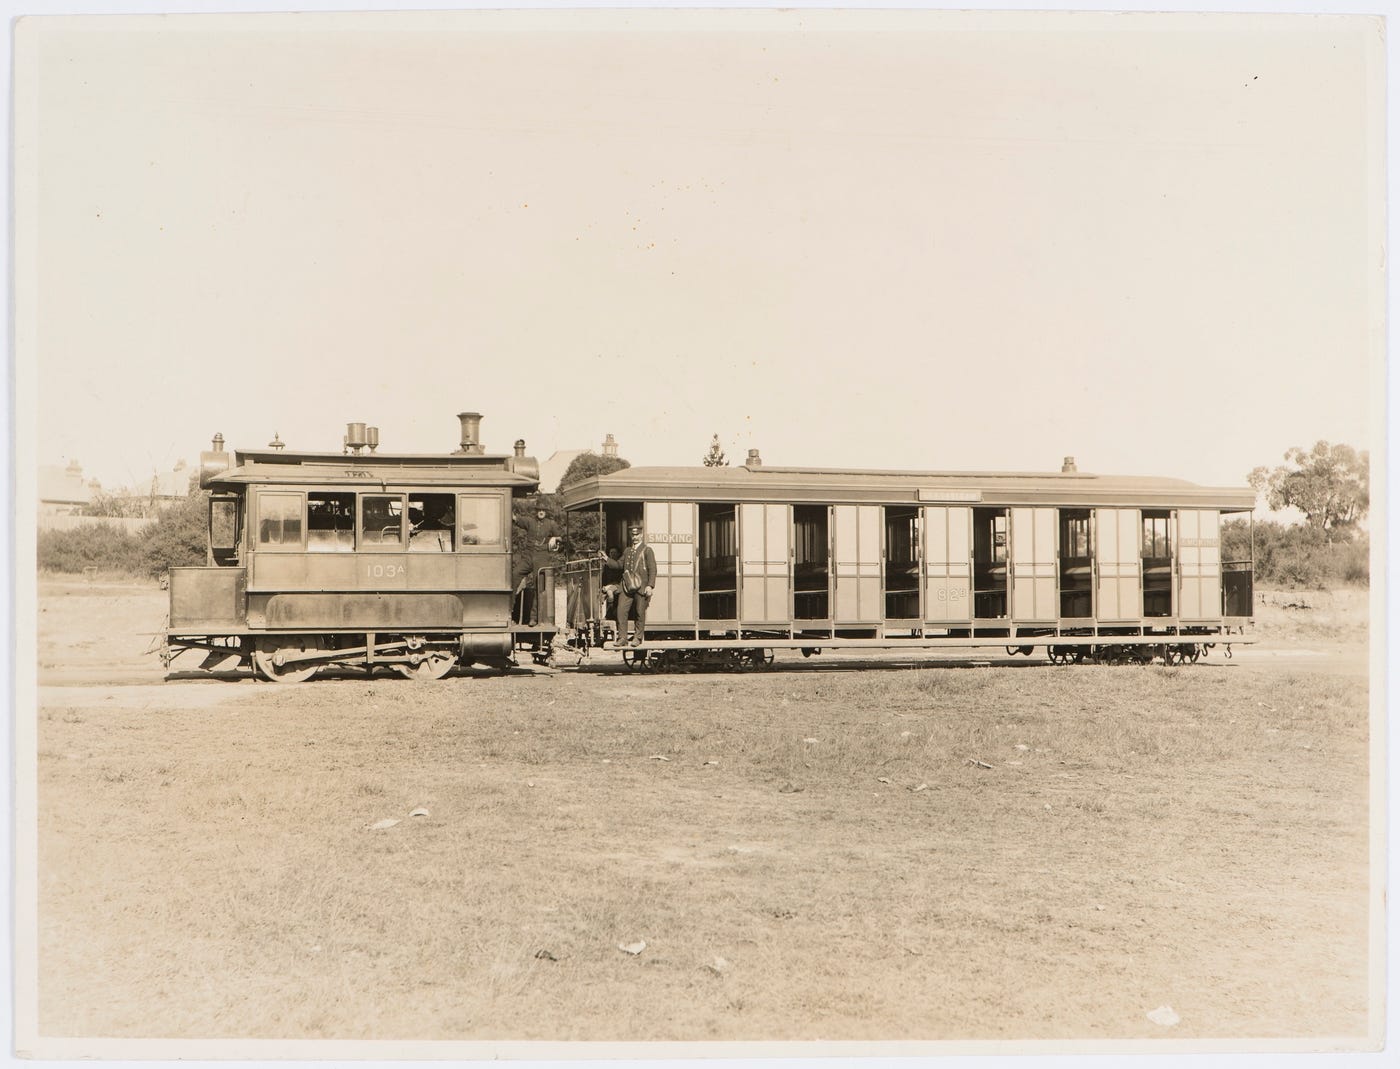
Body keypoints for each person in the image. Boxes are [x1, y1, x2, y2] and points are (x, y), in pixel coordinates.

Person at [614, 524, 657, 646]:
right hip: (627, 587)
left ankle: (638, 638)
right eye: (633, 535)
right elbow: (618, 565)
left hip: (641, 587)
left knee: (639, 612)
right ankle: (622, 638)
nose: (635, 537)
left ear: (641, 535)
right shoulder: (627, 551)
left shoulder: (647, 550)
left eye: (637, 534)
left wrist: (650, 586)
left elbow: (652, 569)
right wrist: (606, 559)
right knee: (621, 610)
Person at [598, 546, 624, 621]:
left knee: (609, 592)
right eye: (610, 553)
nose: (612, 554)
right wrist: (602, 586)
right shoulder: (607, 565)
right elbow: (604, 577)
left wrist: (608, 586)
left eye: (614, 553)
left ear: (618, 554)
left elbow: (619, 579)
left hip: (619, 584)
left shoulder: (619, 564)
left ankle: (610, 614)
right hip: (609, 585)